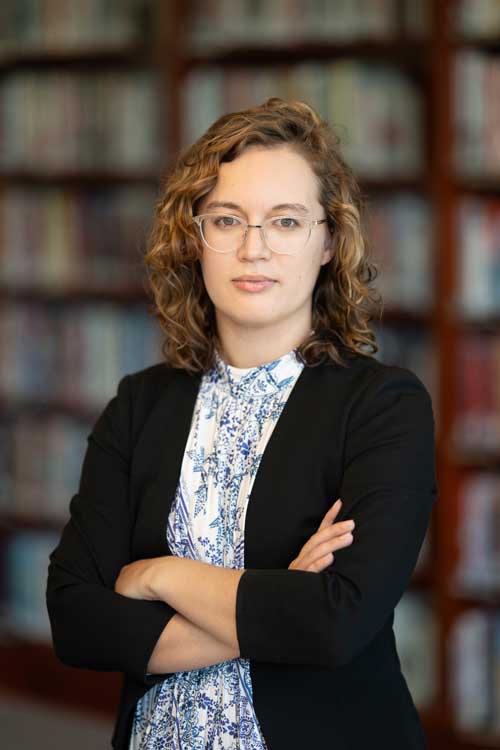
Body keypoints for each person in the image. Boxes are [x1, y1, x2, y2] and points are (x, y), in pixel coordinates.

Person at [46, 97, 438, 750]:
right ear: (194, 238)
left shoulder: (384, 406)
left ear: (328, 242)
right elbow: (75, 619)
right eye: (227, 219)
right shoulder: (140, 405)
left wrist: (159, 576)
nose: (254, 248)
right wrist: (277, 601)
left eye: (285, 221)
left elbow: (335, 624)